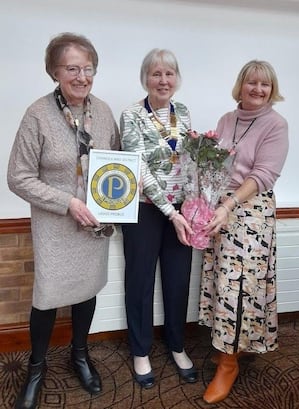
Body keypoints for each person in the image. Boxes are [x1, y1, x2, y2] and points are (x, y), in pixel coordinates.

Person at [7, 32, 120, 409]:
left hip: (94, 226)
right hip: (55, 226)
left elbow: (117, 165)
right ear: (54, 71)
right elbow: (18, 176)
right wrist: (67, 202)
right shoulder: (38, 114)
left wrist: (116, 204)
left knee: (86, 291)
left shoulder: (102, 112)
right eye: (72, 68)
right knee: (48, 298)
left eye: (88, 68)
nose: (82, 76)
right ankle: (36, 368)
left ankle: (80, 355)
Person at [199, 60, 289, 404]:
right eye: (252, 82)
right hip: (222, 210)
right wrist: (206, 201)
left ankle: (228, 363)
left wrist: (228, 205)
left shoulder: (276, 124)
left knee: (239, 287)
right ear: (242, 85)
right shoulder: (226, 119)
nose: (258, 89)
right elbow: (214, 165)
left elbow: (263, 174)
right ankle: (228, 344)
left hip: (249, 213)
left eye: (264, 84)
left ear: (271, 89)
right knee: (221, 282)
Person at [119, 48, 198, 389]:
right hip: (145, 210)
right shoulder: (132, 114)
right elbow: (139, 167)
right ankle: (140, 350)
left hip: (181, 210)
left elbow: (188, 162)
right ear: (145, 78)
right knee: (140, 280)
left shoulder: (183, 111)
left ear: (176, 79)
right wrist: (169, 211)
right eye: (156, 74)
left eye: (169, 73)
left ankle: (177, 344)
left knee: (178, 280)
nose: (163, 80)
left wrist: (193, 204)